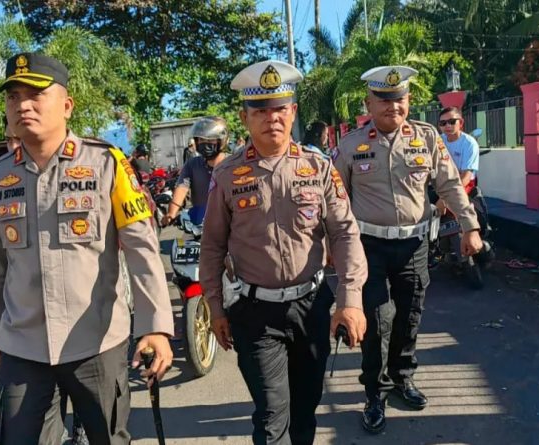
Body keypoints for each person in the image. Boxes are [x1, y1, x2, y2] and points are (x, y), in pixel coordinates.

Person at [0, 52, 175, 445]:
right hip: (23, 346)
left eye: (36, 94)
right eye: (14, 96)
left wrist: (155, 326)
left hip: (95, 343)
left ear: (67, 105)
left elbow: (141, 248)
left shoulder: (107, 164)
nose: (23, 105)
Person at [200, 60, 368, 445]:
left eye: (279, 108)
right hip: (255, 314)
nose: (271, 118)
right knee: (271, 417)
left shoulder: (318, 167)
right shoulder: (226, 175)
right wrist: (214, 306)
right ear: (244, 117)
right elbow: (212, 245)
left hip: (310, 306)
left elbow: (344, 232)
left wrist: (351, 299)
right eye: (260, 110)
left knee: (305, 412)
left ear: (293, 112)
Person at [333, 66, 483, 434]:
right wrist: (331, 245)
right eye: (383, 100)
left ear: (408, 101)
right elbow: (335, 199)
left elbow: (449, 185)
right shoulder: (351, 145)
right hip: (369, 247)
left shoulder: (427, 137)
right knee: (377, 321)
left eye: (399, 99)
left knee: (410, 315)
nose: (393, 106)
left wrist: (470, 226)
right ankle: (375, 393)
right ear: (369, 103)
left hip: (415, 244)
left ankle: (402, 377)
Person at [161, 116, 228, 227]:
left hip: (230, 222)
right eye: (201, 140)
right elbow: (182, 187)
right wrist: (171, 214)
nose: (205, 143)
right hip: (201, 223)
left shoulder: (232, 163)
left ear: (221, 140)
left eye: (210, 139)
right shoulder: (192, 164)